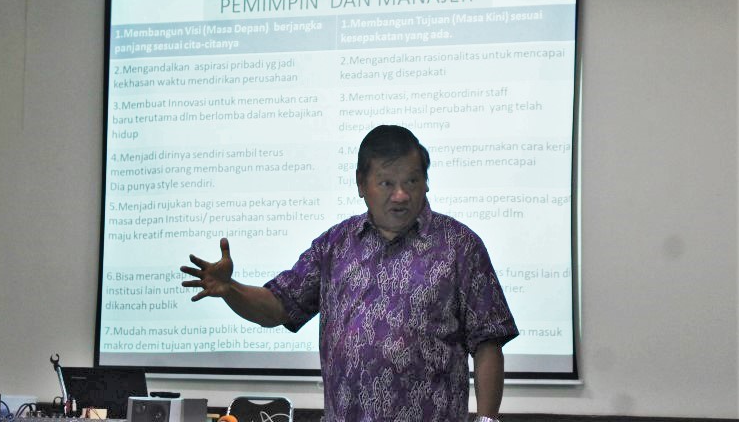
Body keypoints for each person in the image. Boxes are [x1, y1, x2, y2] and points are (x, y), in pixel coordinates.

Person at [181, 125, 518, 422]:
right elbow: (279, 307)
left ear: (426, 182)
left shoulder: (459, 246)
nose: (401, 195)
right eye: (387, 183)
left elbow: (488, 341)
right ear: (361, 184)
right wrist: (231, 289)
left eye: (412, 181)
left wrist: (487, 419)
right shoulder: (334, 246)